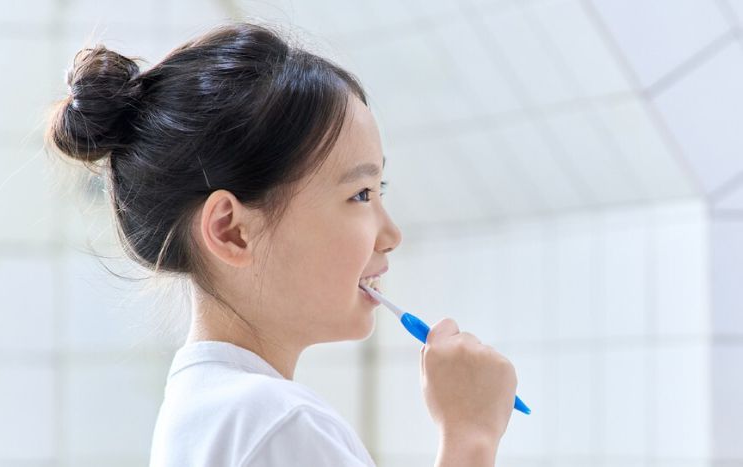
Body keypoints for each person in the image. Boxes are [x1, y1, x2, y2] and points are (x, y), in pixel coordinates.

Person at [46, 21, 518, 467]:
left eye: (381, 191)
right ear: (231, 230)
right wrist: (470, 436)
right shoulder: (278, 423)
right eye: (360, 194)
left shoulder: (204, 410)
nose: (392, 235)